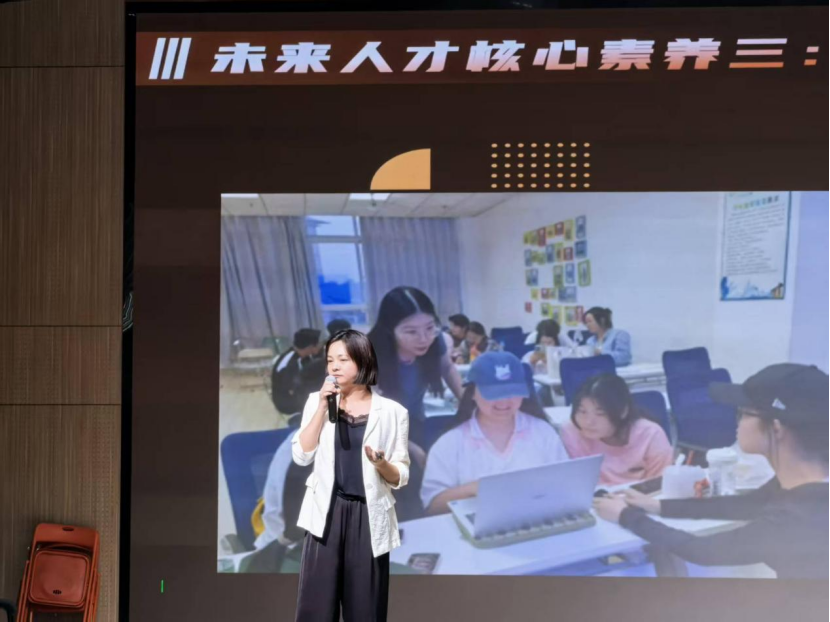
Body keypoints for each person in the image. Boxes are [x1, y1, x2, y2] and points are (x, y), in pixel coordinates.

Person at [595, 364, 829, 579]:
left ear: (776, 428)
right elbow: (747, 504)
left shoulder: (800, 517)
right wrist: (658, 506)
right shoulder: (803, 483)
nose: (736, 421)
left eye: (744, 413)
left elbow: (704, 551)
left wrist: (626, 516)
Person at [292, 330, 411, 621]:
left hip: (368, 516)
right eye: (330, 360)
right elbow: (301, 455)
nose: (334, 366)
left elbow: (401, 474)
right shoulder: (317, 402)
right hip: (326, 512)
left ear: (363, 360)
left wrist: (381, 464)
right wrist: (322, 407)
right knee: (316, 609)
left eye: (343, 359)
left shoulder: (393, 412)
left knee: (366, 609)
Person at [420, 351, 570, 516]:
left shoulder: (543, 432)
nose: (503, 402)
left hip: (537, 519)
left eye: (512, 392)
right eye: (493, 394)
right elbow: (432, 506)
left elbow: (566, 485)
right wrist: (474, 488)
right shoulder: (451, 443)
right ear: (472, 393)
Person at [367, 287, 463, 448]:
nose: (424, 339)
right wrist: (412, 449)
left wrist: (466, 401)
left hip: (414, 421)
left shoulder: (435, 340)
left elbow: (447, 367)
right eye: (411, 332)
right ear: (389, 329)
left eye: (430, 327)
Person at [560, 374, 673, 486]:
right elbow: (574, 481)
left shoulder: (650, 434)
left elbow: (660, 483)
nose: (589, 422)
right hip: (593, 496)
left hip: (640, 495)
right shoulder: (572, 432)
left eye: (600, 413)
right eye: (582, 411)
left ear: (622, 411)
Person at [271, 328, 325, 416]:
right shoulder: (290, 362)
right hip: (287, 402)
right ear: (310, 347)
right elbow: (292, 388)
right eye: (319, 344)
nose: (320, 346)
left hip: (297, 395)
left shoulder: (303, 356)